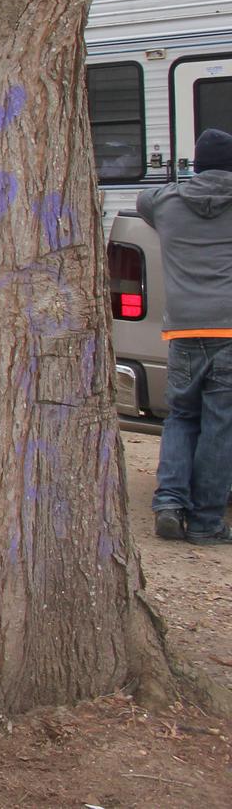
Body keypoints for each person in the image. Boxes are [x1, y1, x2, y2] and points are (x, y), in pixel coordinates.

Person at [142, 126, 232, 546]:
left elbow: (144, 200)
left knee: (181, 416)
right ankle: (205, 523)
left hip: (182, 329)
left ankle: (168, 503)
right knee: (220, 425)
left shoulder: (165, 203)